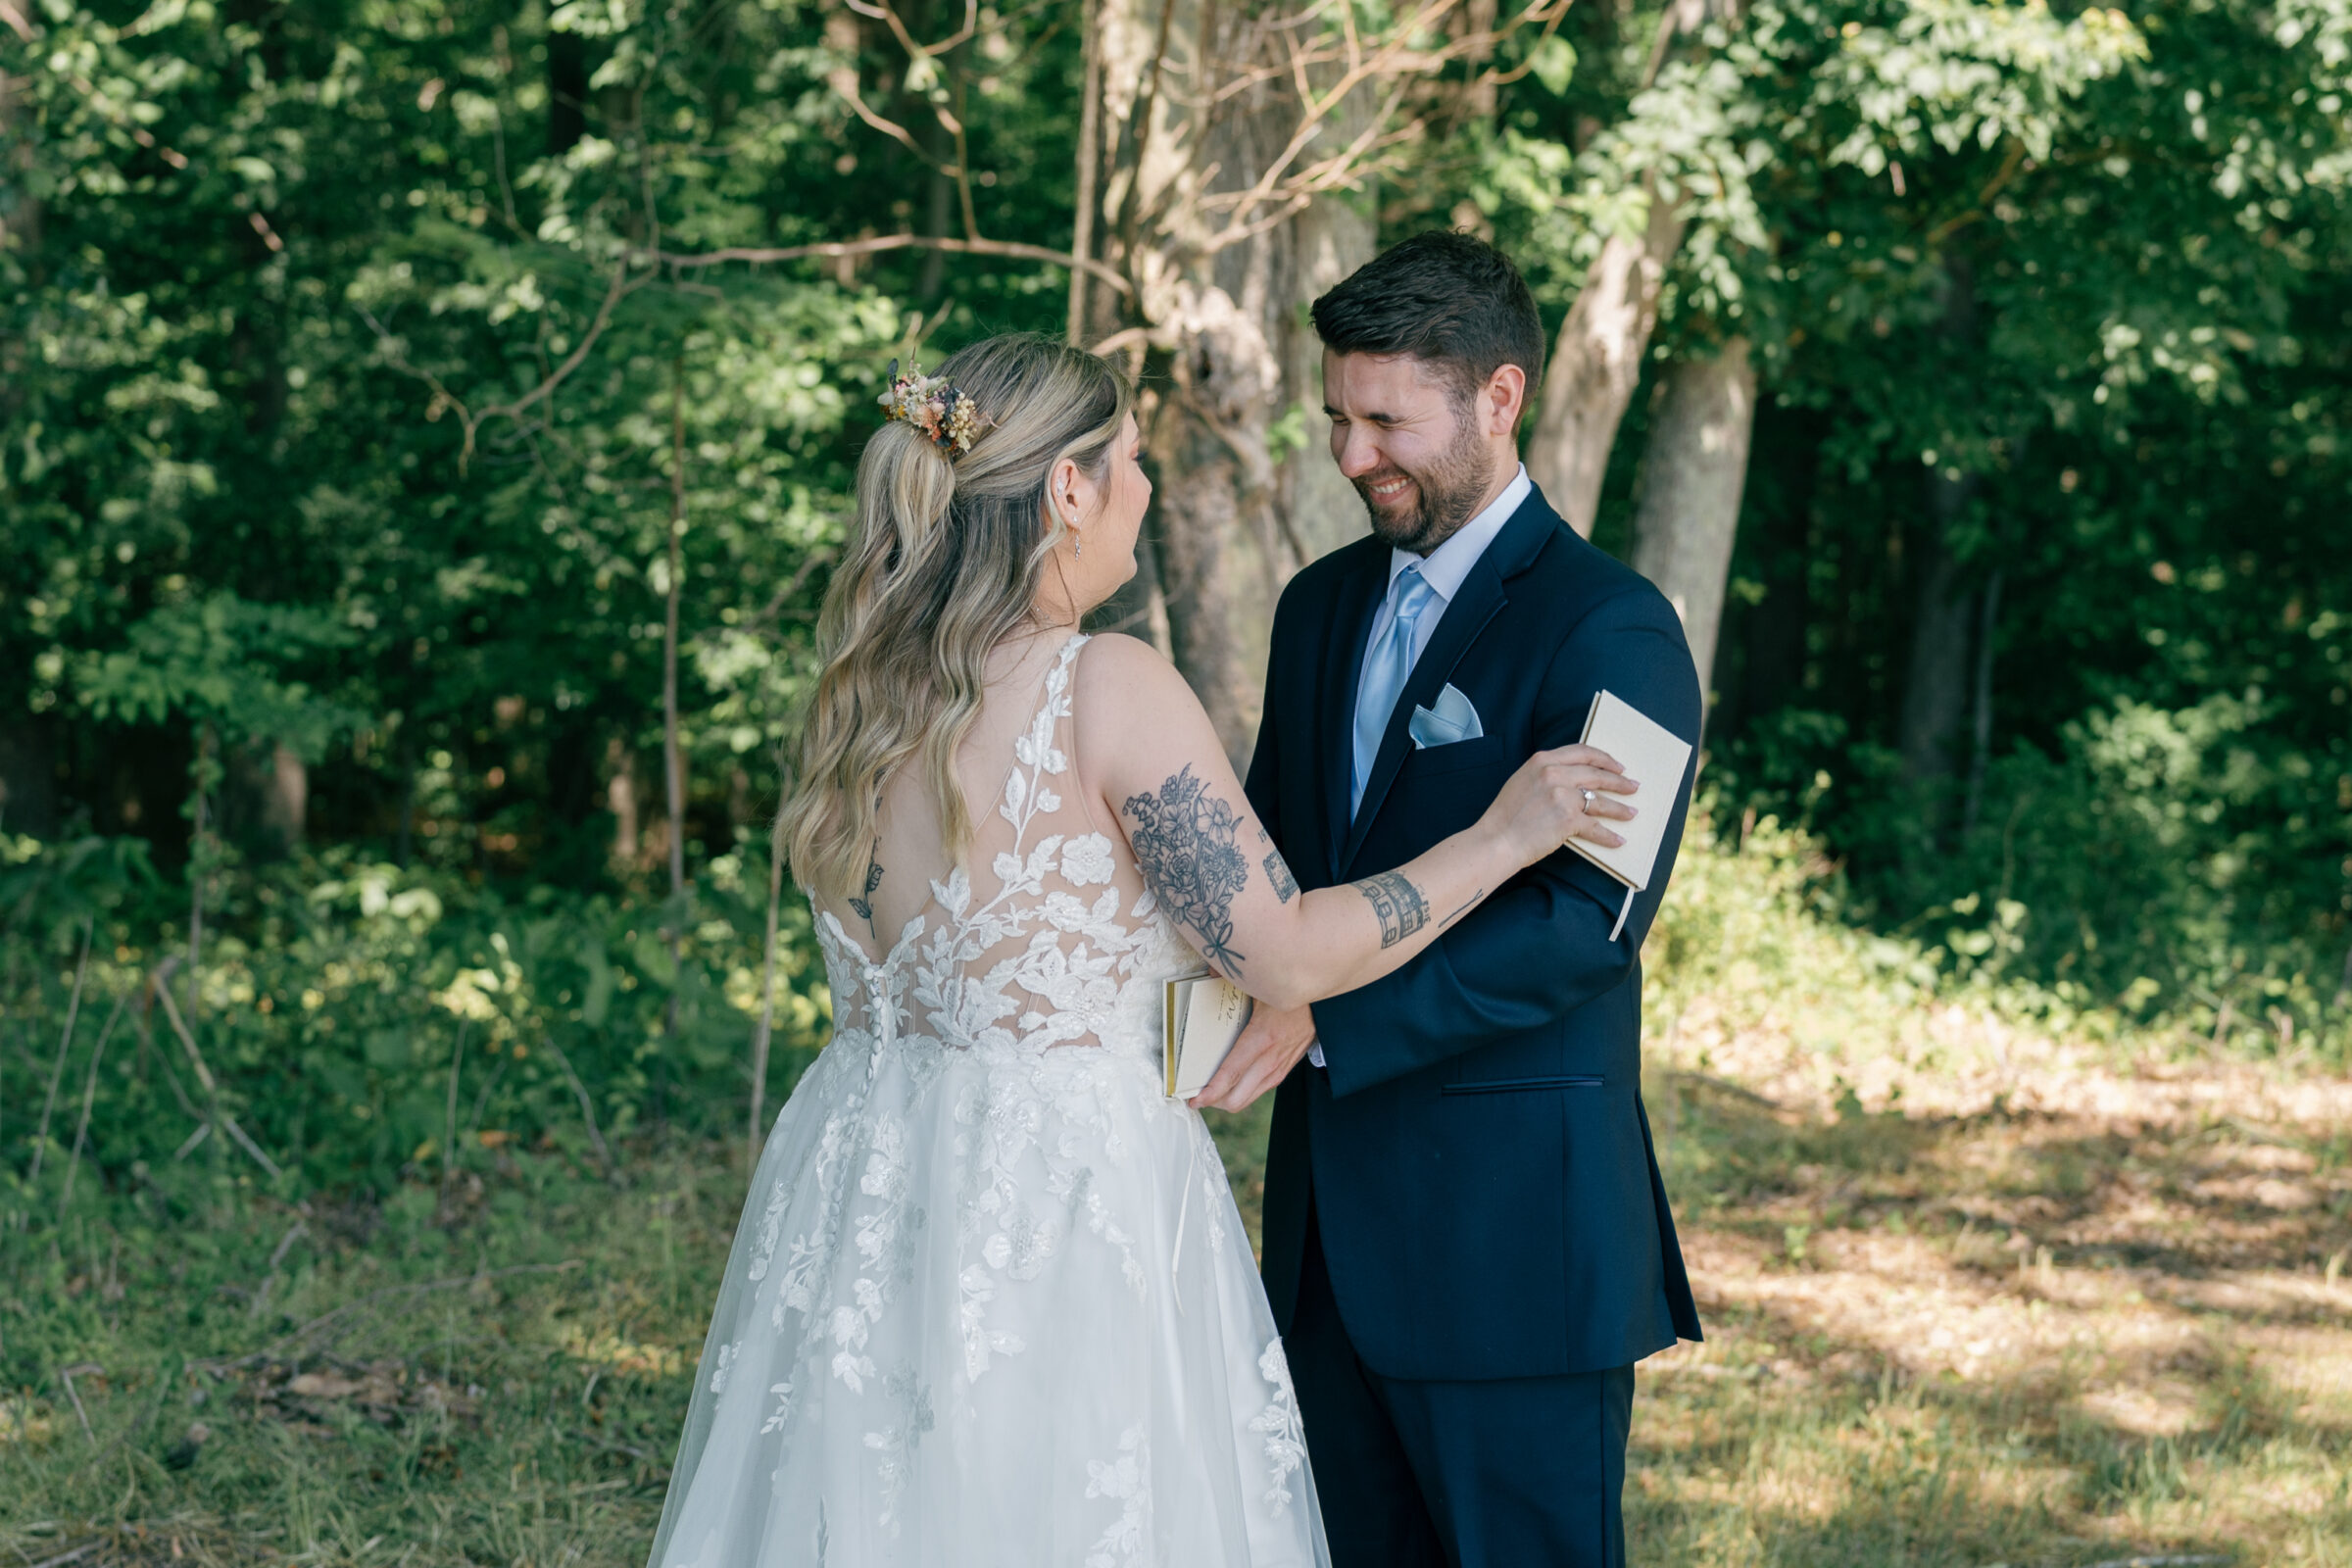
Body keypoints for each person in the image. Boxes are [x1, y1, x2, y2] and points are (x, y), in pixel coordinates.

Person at [643, 332, 1639, 1568]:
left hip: (870, 1183)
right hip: (1065, 1210)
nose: (1147, 487)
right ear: (1065, 489)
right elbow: (1280, 949)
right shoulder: (1104, 684)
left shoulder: (859, 702)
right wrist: (1500, 837)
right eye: (1127, 458)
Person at [1190, 231, 1706, 1568]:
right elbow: (1267, 861)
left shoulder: (1619, 627)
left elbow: (1586, 927)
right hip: (1320, 1250)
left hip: (1512, 1254)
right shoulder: (1315, 607)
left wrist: (1327, 1020)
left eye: (1386, 422)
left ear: (1501, 398)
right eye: (1338, 419)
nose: (1355, 456)